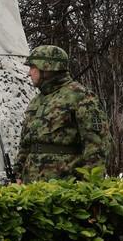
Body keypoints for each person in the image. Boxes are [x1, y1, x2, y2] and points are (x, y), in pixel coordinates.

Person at [14, 45, 111, 183]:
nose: (29, 73)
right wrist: (18, 173)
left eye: (32, 67)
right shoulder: (37, 101)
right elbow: (26, 143)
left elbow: (97, 145)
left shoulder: (80, 97)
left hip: (65, 186)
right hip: (32, 187)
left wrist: (88, 185)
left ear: (46, 67)